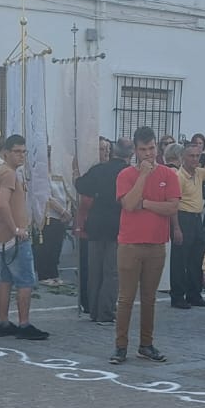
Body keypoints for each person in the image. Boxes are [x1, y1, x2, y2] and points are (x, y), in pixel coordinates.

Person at [111, 126, 178, 363]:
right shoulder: (125, 175)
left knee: (149, 298)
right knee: (126, 298)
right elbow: (128, 204)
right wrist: (142, 176)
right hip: (129, 244)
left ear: (157, 148)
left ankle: (146, 344)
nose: (148, 154)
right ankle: (120, 346)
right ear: (136, 151)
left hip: (156, 244)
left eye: (151, 148)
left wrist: (147, 203)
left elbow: (172, 207)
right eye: (143, 150)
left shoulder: (169, 175)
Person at [0, 134, 48, 340]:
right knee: (25, 280)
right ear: (6, 152)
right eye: (17, 152)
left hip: (2, 236)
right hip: (14, 237)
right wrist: (16, 229)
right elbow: (3, 203)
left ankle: (4, 322)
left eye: (23, 152)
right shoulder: (8, 173)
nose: (21, 156)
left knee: (6, 279)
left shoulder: (2, 171)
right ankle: (24, 324)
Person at [76, 139, 128, 325]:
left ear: (112, 151)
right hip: (118, 224)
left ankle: (93, 310)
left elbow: (80, 185)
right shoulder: (128, 172)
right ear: (129, 154)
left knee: (95, 269)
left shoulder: (98, 169)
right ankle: (105, 312)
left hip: (96, 224)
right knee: (112, 271)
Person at [169, 140, 205, 308]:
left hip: (196, 218)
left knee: (197, 258)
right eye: (191, 156)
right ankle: (178, 296)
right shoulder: (178, 177)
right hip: (182, 217)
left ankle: (195, 294)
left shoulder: (199, 173)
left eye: (197, 155)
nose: (195, 159)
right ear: (183, 157)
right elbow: (173, 204)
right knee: (180, 259)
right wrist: (176, 228)